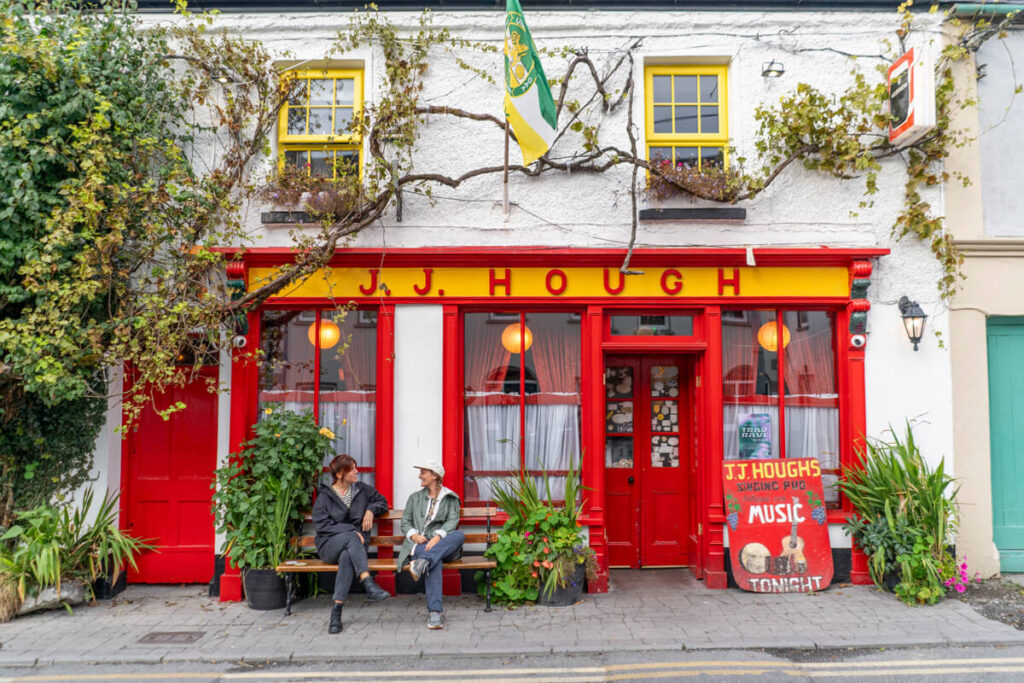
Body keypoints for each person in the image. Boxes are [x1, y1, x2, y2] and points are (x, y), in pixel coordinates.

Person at [312, 454, 390, 634]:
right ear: (340, 474)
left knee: (347, 556)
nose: (357, 471)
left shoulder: (362, 490)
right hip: (329, 546)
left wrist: (370, 510)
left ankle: (336, 612)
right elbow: (322, 525)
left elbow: (382, 502)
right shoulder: (325, 496)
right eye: (352, 469)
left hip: (354, 549)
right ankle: (368, 582)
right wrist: (351, 531)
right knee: (352, 537)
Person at [397, 460, 464, 630]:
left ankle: (423, 561)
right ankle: (435, 612)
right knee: (435, 562)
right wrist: (413, 534)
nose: (419, 476)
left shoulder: (450, 498)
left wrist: (438, 537)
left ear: (434, 476)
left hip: (441, 545)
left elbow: (452, 521)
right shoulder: (415, 498)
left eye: (423, 472)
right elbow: (405, 521)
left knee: (459, 535)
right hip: (420, 544)